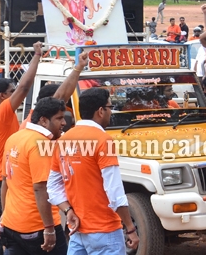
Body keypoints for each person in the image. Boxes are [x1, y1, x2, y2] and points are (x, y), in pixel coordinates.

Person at [47, 88, 140, 254]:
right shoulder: (103, 140)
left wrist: (68, 211)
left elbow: (53, 188)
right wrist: (131, 227)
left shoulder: (63, 140)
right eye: (110, 107)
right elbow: (114, 192)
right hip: (106, 231)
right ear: (100, 111)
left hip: (77, 231)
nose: (111, 112)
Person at [0, 41, 42, 255]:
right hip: (2, 181)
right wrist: (36, 56)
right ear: (3, 97)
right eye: (11, 91)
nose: (15, 92)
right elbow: (25, 87)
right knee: (10, 230)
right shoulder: (2, 113)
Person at [0, 97, 71, 254]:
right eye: (59, 118)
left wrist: (3, 220)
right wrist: (49, 228)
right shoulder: (41, 144)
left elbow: (6, 181)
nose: (64, 123)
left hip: (12, 225)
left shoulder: (15, 137)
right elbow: (40, 188)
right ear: (43, 121)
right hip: (37, 227)